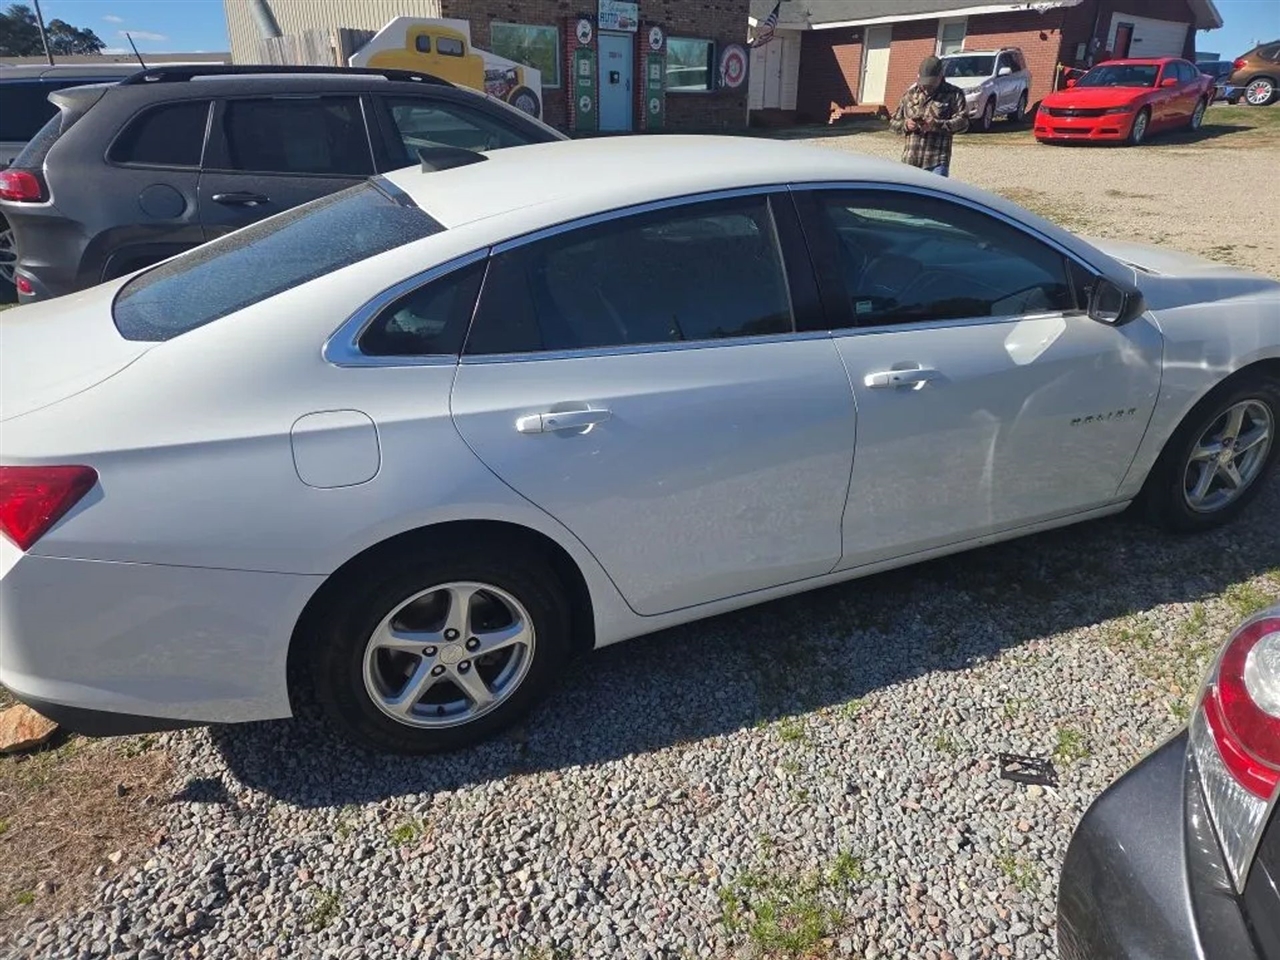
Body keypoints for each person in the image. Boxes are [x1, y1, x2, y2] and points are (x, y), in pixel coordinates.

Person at [889, 55, 969, 177]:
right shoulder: (909, 94)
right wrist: (906, 125)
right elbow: (892, 123)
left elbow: (964, 123)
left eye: (931, 83)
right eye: (924, 83)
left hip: (936, 162)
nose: (926, 88)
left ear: (940, 77)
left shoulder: (954, 94)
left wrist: (937, 124)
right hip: (910, 161)